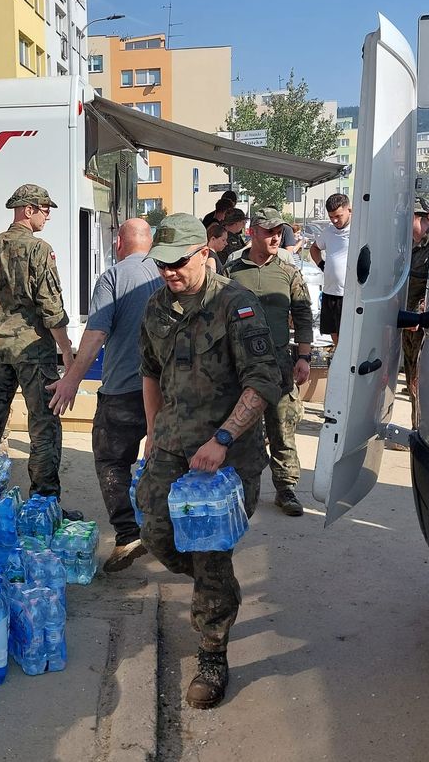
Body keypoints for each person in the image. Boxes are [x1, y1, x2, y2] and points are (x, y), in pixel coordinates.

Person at [137, 213, 282, 709]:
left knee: (209, 551)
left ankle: (212, 652)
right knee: (156, 532)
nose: (168, 273)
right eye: (160, 264)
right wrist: (153, 432)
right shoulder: (157, 305)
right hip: (173, 446)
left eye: (177, 263)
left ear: (205, 253)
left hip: (225, 457)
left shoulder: (236, 305)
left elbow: (264, 381)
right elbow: (150, 372)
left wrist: (222, 437)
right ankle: (209, 586)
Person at [47, 218, 163, 572]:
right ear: (152, 242)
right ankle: (169, 534)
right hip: (169, 390)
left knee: (111, 460)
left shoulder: (113, 277)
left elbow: (96, 335)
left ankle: (128, 534)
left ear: (118, 245)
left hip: (123, 390)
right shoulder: (170, 271)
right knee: (165, 460)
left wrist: (70, 379)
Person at [0, 184, 76, 511]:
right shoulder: (38, 250)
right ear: (27, 209)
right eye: (44, 209)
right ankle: (44, 504)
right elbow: (51, 308)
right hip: (33, 351)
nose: (47, 215)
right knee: (43, 425)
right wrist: (68, 353)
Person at [223, 208, 314, 517]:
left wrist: (303, 356)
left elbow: (303, 315)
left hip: (279, 363)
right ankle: (241, 488)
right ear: (253, 232)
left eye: (279, 231)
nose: (276, 236)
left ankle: (286, 488)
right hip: (240, 364)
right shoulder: (232, 270)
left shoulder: (289, 272)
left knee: (283, 424)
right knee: (242, 426)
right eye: (268, 231)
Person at [402, 196, 429, 428]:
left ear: (418, 217)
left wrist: (419, 310)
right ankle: (416, 428)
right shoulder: (407, 246)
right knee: (411, 380)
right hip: (406, 326)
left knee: (420, 381)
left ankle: (423, 430)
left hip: (424, 327)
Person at [309, 193, 352, 345]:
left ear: (349, 210)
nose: (334, 220)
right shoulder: (328, 231)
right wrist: (322, 264)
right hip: (329, 292)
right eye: (331, 216)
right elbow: (314, 248)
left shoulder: (358, 232)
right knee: (332, 332)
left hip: (347, 294)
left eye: (338, 216)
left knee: (346, 337)